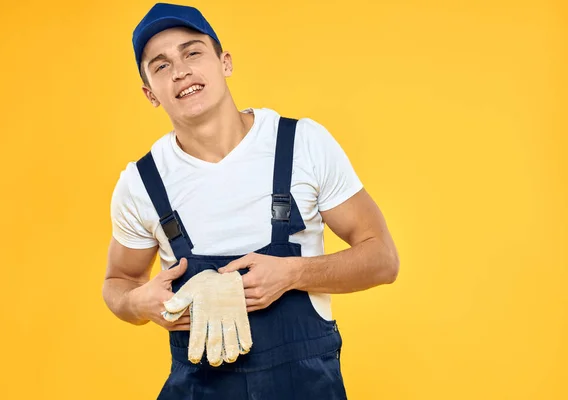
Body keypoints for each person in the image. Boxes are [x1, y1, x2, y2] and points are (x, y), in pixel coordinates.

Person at [102, 3, 400, 399]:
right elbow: (117, 283)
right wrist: (140, 304)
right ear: (150, 94)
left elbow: (382, 259)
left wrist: (292, 274)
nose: (180, 71)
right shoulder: (141, 184)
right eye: (160, 66)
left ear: (224, 62)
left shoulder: (301, 145)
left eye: (192, 52)